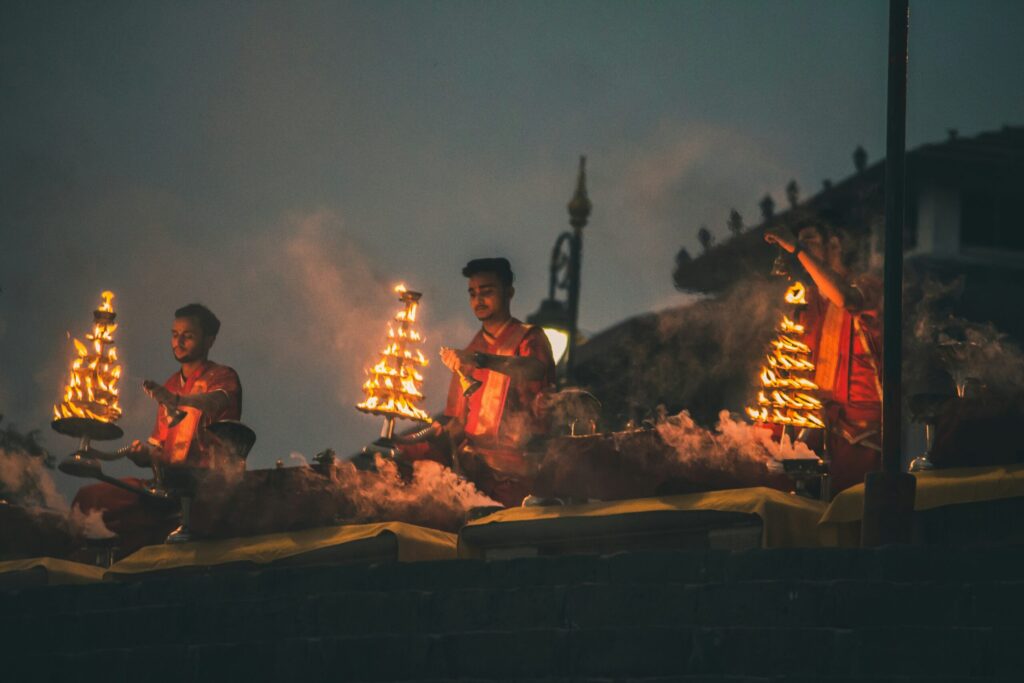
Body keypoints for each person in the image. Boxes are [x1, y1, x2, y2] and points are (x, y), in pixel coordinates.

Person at [71, 303, 242, 548]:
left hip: (205, 486)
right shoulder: (170, 385)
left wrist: (177, 401)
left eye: (188, 336)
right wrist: (143, 455)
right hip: (164, 488)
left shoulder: (223, 376)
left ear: (209, 340)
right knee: (88, 499)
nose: (178, 342)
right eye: (175, 335)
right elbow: (160, 452)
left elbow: (217, 401)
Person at [401, 258, 556, 507]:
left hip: (521, 477)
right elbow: (459, 424)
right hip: (476, 477)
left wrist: (481, 360)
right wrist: (422, 439)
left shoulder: (528, 337)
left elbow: (535, 369)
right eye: (472, 294)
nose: (478, 300)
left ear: (509, 292)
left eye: (487, 292)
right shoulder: (469, 351)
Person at [765, 221, 883, 495]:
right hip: (814, 424)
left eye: (810, 240)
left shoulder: (867, 287)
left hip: (859, 431)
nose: (800, 249)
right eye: (801, 241)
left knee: (852, 504)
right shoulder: (807, 299)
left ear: (835, 245)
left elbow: (844, 298)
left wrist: (797, 249)